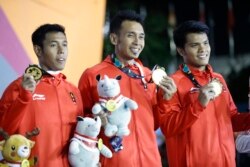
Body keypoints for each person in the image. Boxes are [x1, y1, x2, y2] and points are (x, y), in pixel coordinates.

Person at [78, 10, 176, 167]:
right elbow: (81, 122)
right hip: (113, 160)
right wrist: (98, 119)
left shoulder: (148, 76)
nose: (138, 41)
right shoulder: (93, 75)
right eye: (131, 35)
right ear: (114, 38)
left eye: (141, 36)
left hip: (150, 160)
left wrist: (166, 99)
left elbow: (154, 124)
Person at [158, 20, 250, 167]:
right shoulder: (172, 83)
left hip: (226, 162)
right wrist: (198, 104)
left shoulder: (218, 78)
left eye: (205, 43)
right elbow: (168, 128)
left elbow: (231, 119)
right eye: (195, 45)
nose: (203, 49)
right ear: (181, 50)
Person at [0, 24, 83, 167]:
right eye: (53, 45)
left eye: (64, 44)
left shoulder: (73, 90)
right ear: (38, 50)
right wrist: (23, 98)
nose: (62, 51)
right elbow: (3, 133)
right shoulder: (19, 87)